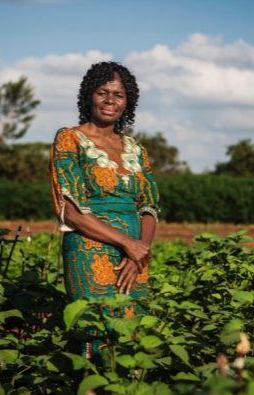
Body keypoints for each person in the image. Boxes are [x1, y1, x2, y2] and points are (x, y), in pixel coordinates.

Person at [49, 61, 160, 362]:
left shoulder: (137, 149)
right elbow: (70, 212)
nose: (110, 100)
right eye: (102, 92)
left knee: (131, 337)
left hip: (135, 256)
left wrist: (139, 252)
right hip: (89, 247)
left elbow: (149, 206)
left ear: (128, 102)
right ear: (89, 96)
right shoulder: (69, 139)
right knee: (95, 333)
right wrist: (127, 243)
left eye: (119, 94)